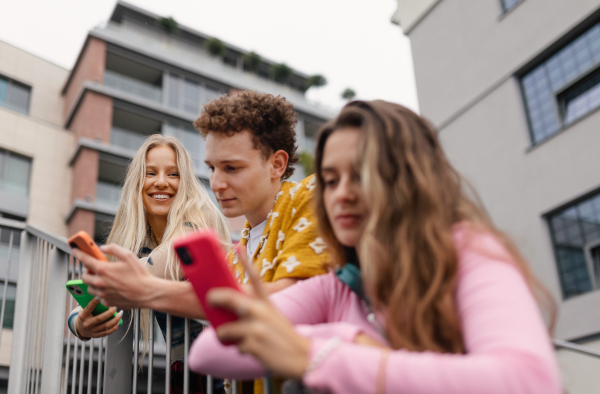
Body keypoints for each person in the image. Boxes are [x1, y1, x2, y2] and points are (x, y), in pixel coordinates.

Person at [188, 100, 563, 393]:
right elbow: (210, 350)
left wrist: (313, 355)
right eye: (331, 180)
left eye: (361, 175)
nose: (341, 195)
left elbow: (530, 381)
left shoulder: (469, 252)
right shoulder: (338, 285)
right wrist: (348, 339)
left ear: (410, 177)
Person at [76, 92, 331, 392]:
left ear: (277, 164)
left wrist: (147, 290)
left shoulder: (310, 198)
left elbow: (288, 302)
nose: (217, 184)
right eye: (211, 168)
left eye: (232, 168)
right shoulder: (240, 250)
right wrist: (79, 322)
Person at [69, 134, 230, 394]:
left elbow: (163, 264)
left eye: (173, 174)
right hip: (191, 371)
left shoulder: (199, 219)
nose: (162, 182)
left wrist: (106, 283)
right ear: (137, 181)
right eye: (150, 173)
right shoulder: (138, 241)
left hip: (231, 365)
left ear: (186, 181)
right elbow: (88, 303)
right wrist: (80, 324)